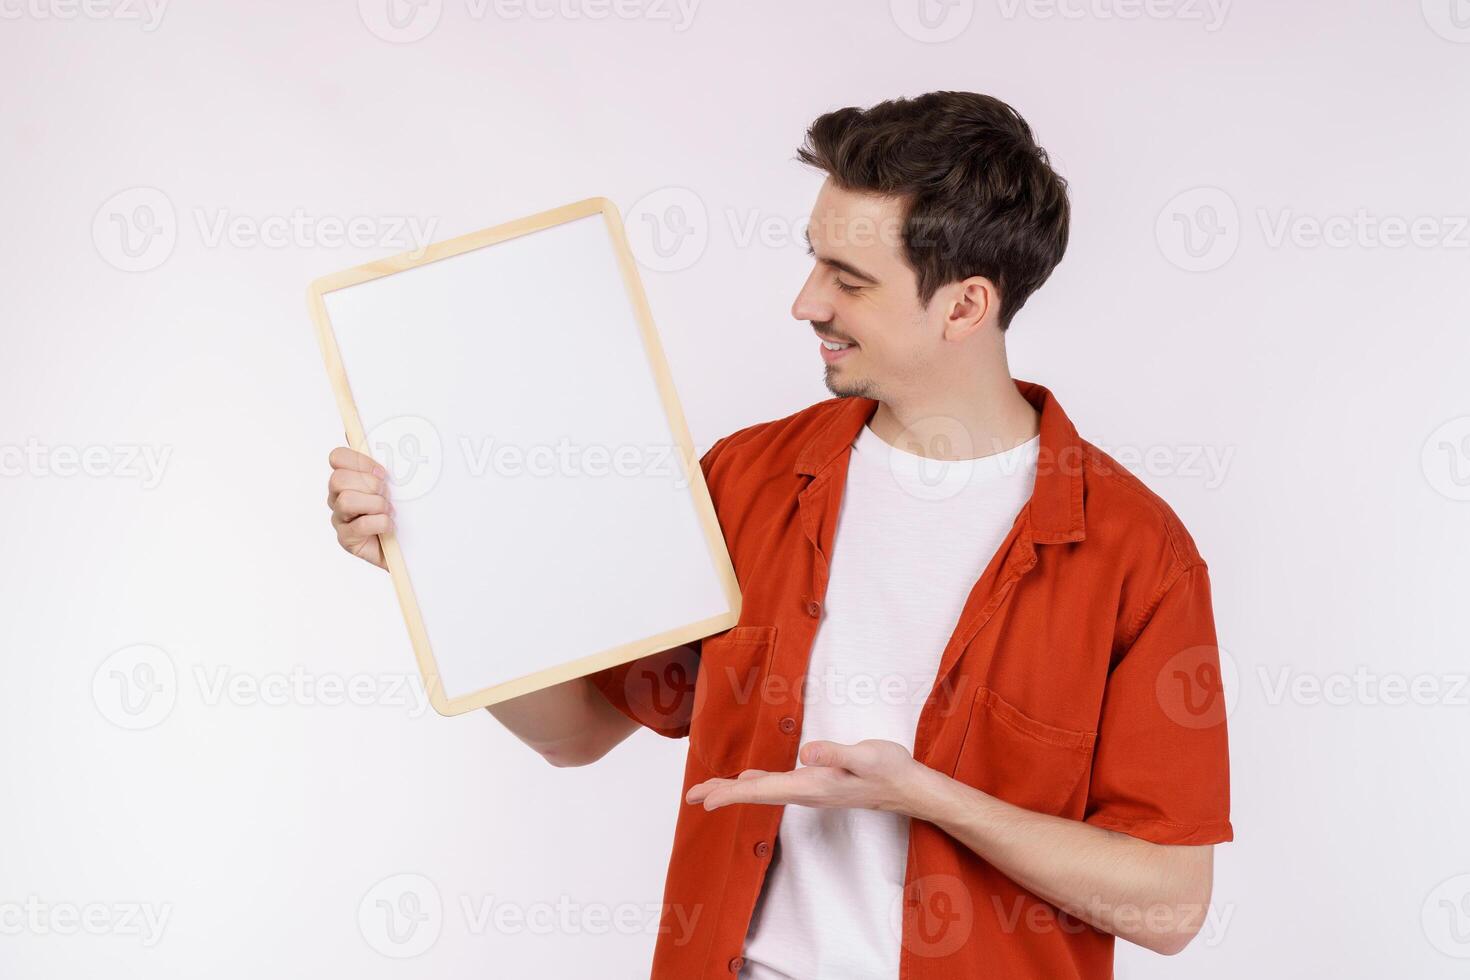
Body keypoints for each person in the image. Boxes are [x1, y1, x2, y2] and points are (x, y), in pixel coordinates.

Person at [325, 90, 1233, 980]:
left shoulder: (1134, 554)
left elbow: (1172, 904)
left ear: (964, 307)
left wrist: (926, 800)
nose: (806, 303)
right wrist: (436, 568)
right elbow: (575, 732)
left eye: (851, 280)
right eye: (815, 262)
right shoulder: (748, 481)